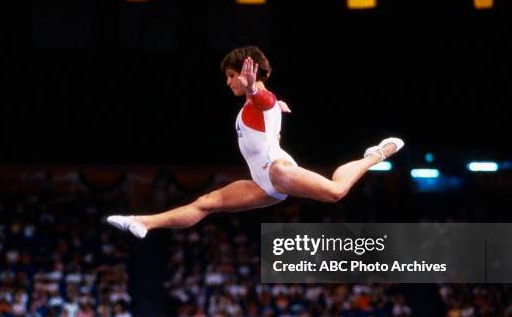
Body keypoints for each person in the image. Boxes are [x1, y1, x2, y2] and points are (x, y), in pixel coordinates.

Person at [107, 46, 403, 238]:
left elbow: (264, 100)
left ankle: (373, 155)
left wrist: (253, 89)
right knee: (206, 203)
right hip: (261, 181)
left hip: (277, 170)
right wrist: (265, 99)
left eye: (232, 76)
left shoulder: (259, 99)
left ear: (251, 74)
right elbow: (268, 106)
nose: (228, 82)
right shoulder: (260, 104)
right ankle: (143, 222)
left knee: (336, 191)